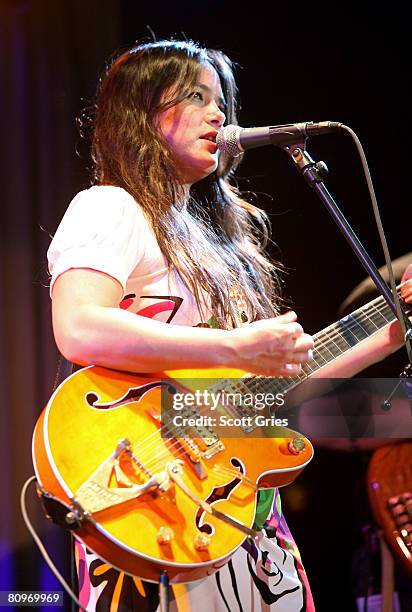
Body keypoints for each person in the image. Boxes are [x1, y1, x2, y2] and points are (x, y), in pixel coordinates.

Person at [47, 39, 412, 611]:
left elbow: (273, 388)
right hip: (154, 494)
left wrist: (392, 330)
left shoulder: (220, 240)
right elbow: (78, 327)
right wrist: (234, 346)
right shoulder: (111, 207)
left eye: (222, 101)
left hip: (239, 507)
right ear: (140, 113)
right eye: (195, 97)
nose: (219, 115)